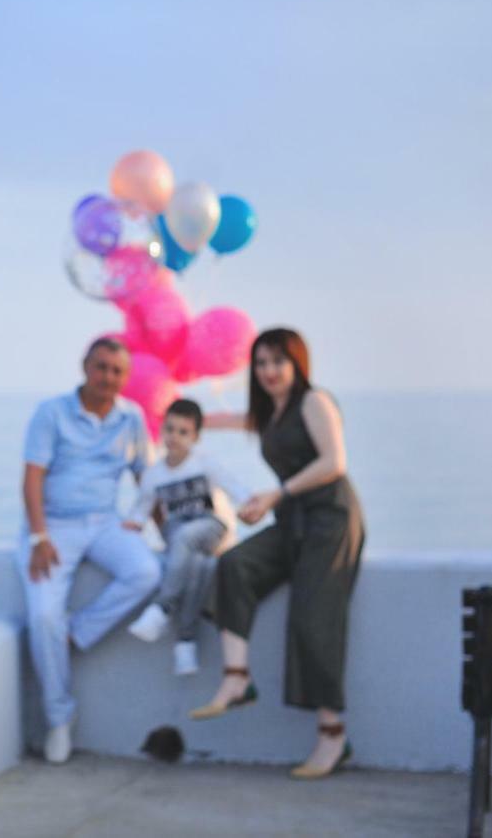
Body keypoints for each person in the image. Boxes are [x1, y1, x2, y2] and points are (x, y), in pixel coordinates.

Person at [187, 328, 365, 780]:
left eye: (277, 362)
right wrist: (174, 417)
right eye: (261, 363)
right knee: (235, 565)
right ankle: (237, 677)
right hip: (291, 520)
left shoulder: (314, 401)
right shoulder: (269, 413)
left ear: (297, 363)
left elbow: (333, 463)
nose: (268, 371)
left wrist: (275, 495)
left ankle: (332, 736)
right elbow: (221, 420)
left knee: (313, 618)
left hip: (330, 520)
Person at [19, 337, 161, 765]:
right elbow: (32, 479)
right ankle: (60, 719)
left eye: (117, 371)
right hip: (54, 526)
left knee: (147, 572)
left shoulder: (131, 418)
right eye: (101, 368)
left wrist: (166, 532)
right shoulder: (52, 412)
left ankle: (77, 633)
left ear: (126, 377)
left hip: (105, 522)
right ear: (84, 366)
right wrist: (39, 538)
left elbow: (148, 481)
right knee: (43, 615)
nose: (108, 378)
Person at [123, 398, 251, 676]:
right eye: (170, 429)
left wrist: (253, 506)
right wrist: (125, 528)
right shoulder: (153, 475)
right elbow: (140, 512)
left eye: (183, 432)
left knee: (184, 537)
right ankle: (185, 643)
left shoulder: (205, 464)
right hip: (180, 537)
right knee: (198, 566)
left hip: (211, 527)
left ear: (196, 437)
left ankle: (162, 607)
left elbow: (236, 488)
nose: (174, 437)